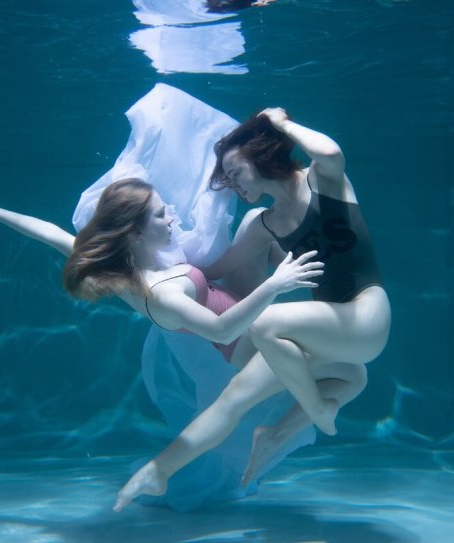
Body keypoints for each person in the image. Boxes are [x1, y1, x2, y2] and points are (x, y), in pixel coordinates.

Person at [114, 108, 390, 511]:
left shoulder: (321, 181)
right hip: (335, 336)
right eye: (225, 177)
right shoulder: (263, 224)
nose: (231, 183)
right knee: (248, 394)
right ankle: (161, 470)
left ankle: (316, 411)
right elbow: (211, 271)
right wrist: (145, 270)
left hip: (368, 317)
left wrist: (279, 123)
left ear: (261, 152)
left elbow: (330, 151)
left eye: (234, 171)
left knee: (264, 325)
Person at [0, 177, 323, 371]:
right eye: (161, 214)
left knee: (257, 219)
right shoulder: (160, 293)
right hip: (244, 343)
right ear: (136, 232)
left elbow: (49, 232)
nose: (172, 216)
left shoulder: (122, 266)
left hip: (238, 305)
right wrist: (275, 284)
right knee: (343, 369)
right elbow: (222, 330)